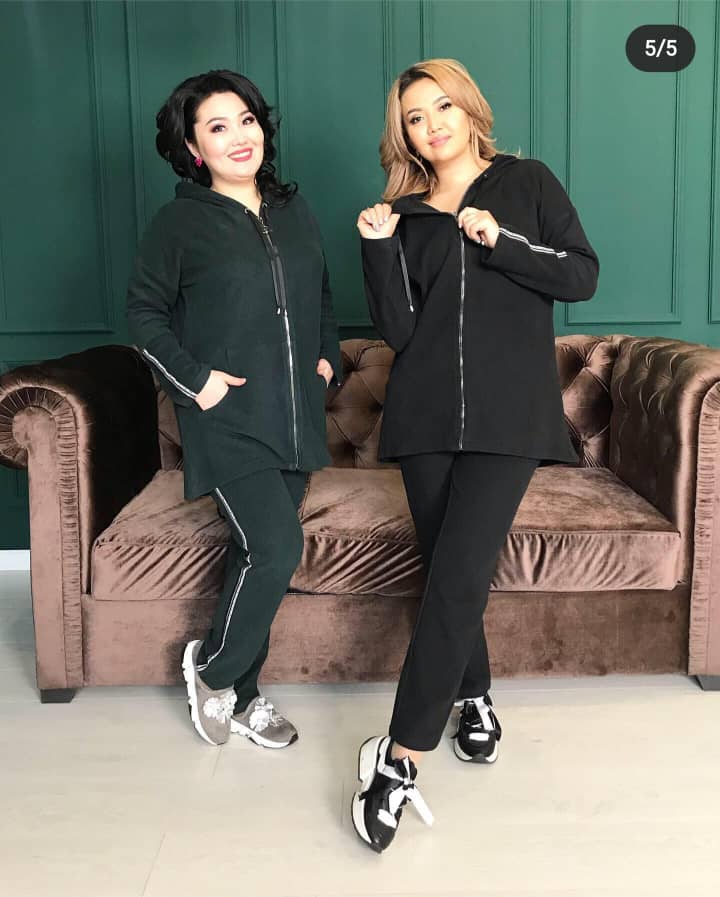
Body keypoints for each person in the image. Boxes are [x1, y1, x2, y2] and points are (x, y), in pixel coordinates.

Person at [352, 58, 599, 852]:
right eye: (415, 118)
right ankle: (477, 695)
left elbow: (582, 275)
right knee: (446, 572)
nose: (432, 125)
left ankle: (398, 758)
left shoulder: (527, 182)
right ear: (404, 135)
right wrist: (378, 249)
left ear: (469, 109)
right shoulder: (405, 215)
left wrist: (502, 242)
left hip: (509, 417)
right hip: (423, 417)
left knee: (459, 575)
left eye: (442, 107)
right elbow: (400, 330)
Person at [126, 70, 342, 749]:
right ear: (194, 148)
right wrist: (198, 382)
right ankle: (213, 672)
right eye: (217, 127)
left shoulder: (293, 210)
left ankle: (246, 698)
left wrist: (327, 357)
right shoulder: (180, 223)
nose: (239, 136)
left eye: (246, 120)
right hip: (227, 419)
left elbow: (321, 293)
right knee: (278, 546)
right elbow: (142, 315)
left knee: (257, 554)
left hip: (296, 414)